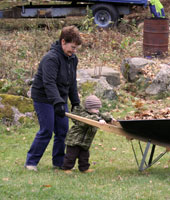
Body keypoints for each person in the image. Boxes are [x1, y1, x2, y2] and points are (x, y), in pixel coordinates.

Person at [24, 26, 82, 171]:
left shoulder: (72, 59)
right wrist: (57, 103)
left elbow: (72, 82)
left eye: (76, 48)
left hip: (59, 97)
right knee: (47, 130)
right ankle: (31, 162)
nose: (74, 51)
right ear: (63, 42)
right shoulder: (51, 58)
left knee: (63, 130)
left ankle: (59, 162)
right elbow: (48, 83)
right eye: (72, 47)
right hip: (43, 98)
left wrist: (75, 102)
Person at [61, 95, 114, 173]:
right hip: (74, 140)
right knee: (71, 156)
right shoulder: (81, 114)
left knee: (84, 156)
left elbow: (102, 115)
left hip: (85, 141)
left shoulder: (95, 114)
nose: (97, 111)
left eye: (98, 109)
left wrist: (110, 118)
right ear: (88, 108)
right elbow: (88, 119)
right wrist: (99, 120)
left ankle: (84, 168)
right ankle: (67, 168)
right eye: (96, 109)